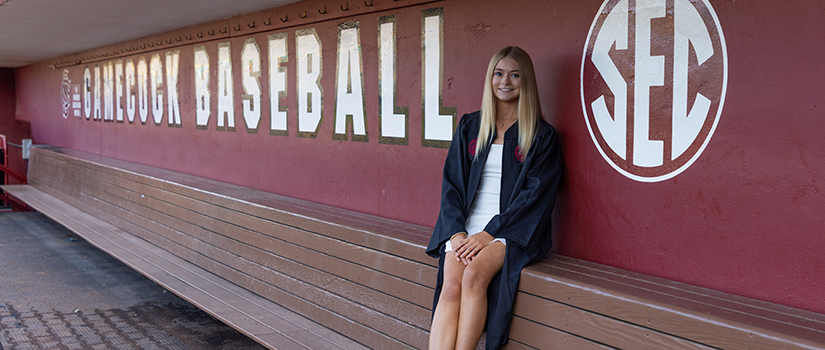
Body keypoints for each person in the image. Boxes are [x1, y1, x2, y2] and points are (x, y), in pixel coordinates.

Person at [426, 46, 562, 350]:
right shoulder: (470, 127)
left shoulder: (540, 136)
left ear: (525, 81)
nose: (506, 81)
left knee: (473, 276)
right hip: (467, 224)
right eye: (499, 74)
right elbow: (452, 185)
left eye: (515, 75)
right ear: (490, 79)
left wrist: (489, 234)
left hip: (510, 228)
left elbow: (534, 197)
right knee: (450, 286)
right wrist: (457, 231)